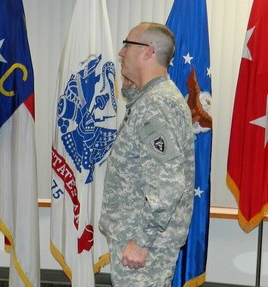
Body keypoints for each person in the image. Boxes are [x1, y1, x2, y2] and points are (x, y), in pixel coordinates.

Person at [99, 22, 195, 286]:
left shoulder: (156, 104)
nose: (121, 53)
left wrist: (141, 243)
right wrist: (132, 85)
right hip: (140, 238)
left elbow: (167, 184)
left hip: (146, 246)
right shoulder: (150, 98)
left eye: (127, 45)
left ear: (147, 52)